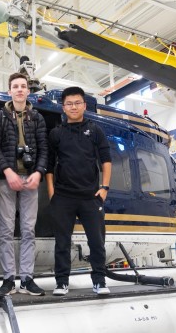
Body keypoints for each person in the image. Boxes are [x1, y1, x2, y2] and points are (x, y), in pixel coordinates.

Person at [45, 86, 112, 296]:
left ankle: (99, 280)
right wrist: (51, 192)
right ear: (63, 107)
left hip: (90, 197)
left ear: (84, 105)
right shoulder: (56, 133)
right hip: (63, 197)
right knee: (62, 242)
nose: (73, 107)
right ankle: (61, 282)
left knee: (97, 241)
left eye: (77, 103)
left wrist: (105, 188)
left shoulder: (95, 130)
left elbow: (106, 161)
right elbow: (49, 166)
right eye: (69, 103)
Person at [0, 73, 47, 296]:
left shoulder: (37, 118)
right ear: (9, 91)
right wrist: (7, 170)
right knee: (5, 230)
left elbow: (44, 148)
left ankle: (26, 278)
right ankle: (8, 279)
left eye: (23, 86)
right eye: (15, 86)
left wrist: (39, 172)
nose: (20, 90)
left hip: (31, 178)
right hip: (7, 180)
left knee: (28, 231)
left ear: (28, 91)